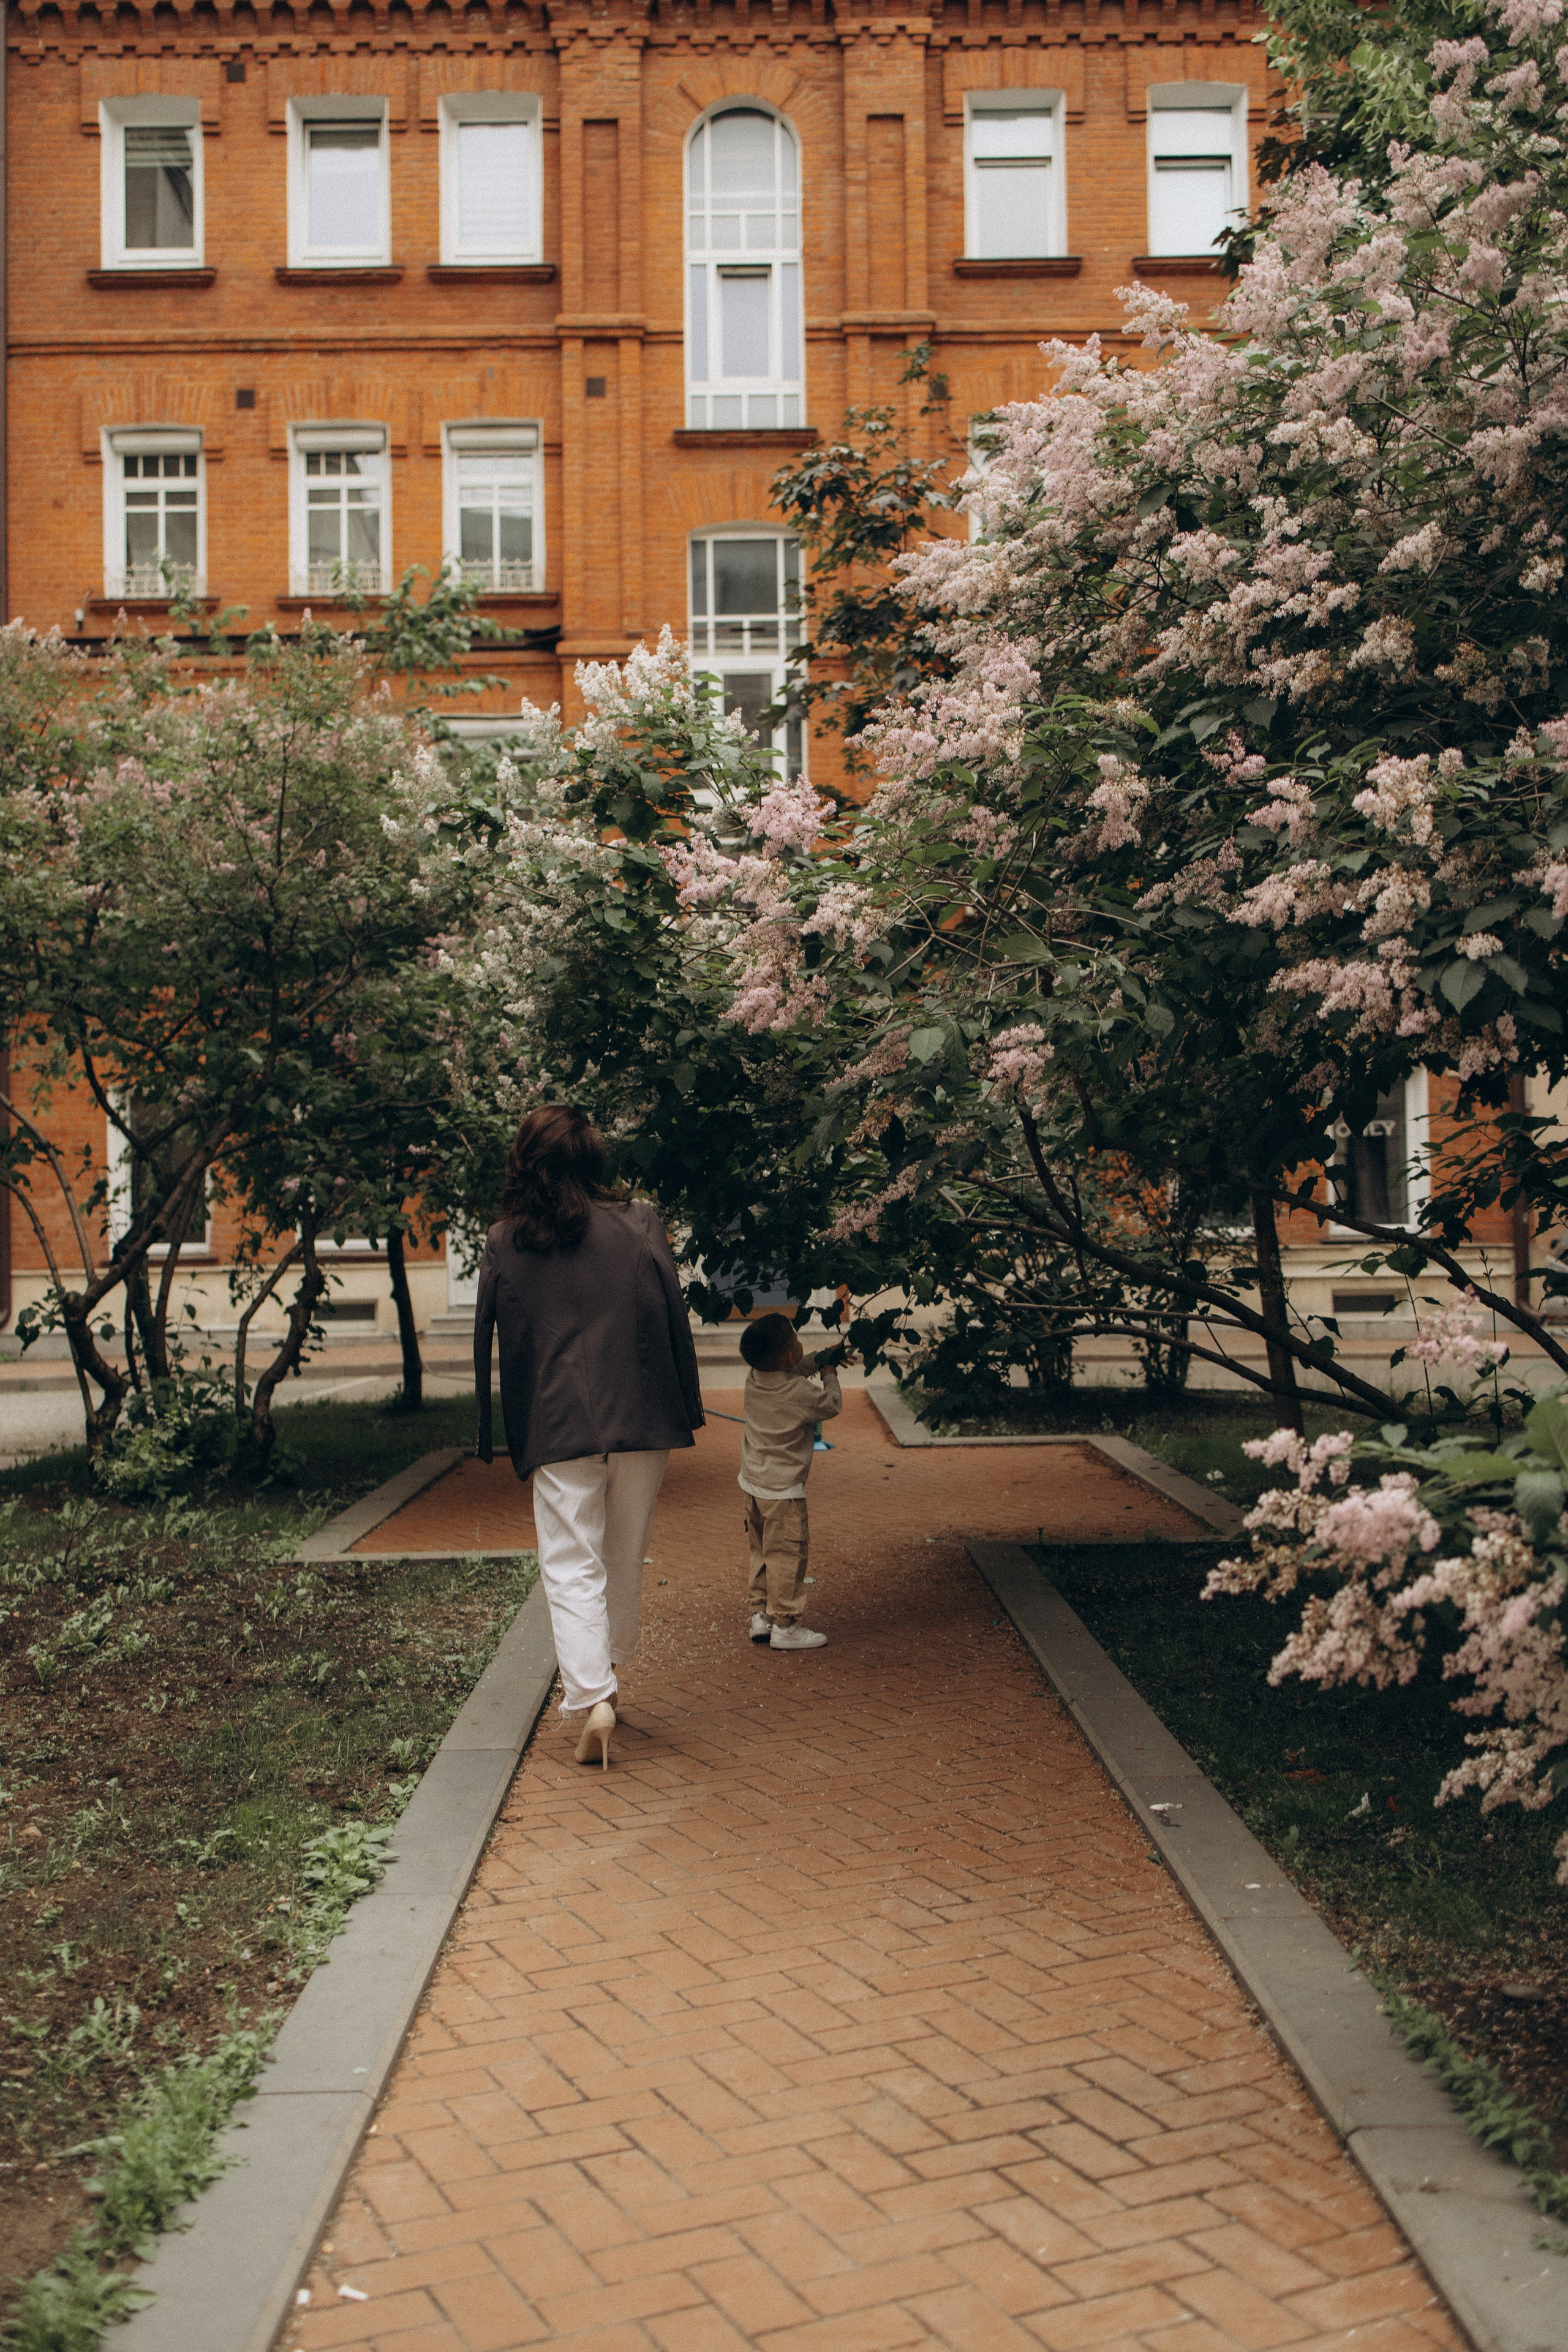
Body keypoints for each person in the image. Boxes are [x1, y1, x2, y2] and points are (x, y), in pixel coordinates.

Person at [473, 1106, 704, 1768]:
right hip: (638, 1411)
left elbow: (500, 1339)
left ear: (525, 1160)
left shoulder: (505, 1239)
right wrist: (684, 1403)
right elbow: (670, 1317)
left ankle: (592, 1691)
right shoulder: (639, 1224)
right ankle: (607, 1671)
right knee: (625, 1550)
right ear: (594, 1157)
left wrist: (499, 1431)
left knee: (570, 1559)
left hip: (557, 1418)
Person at [737, 1312, 844, 1651]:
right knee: (787, 1555)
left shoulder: (754, 1378)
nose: (800, 1344)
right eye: (797, 1340)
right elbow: (832, 1404)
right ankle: (785, 1624)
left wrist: (821, 1357)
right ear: (788, 1355)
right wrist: (829, 1374)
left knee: (762, 1551)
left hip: (753, 1485)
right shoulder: (800, 1392)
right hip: (783, 1492)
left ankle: (761, 1615)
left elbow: (792, 1369)